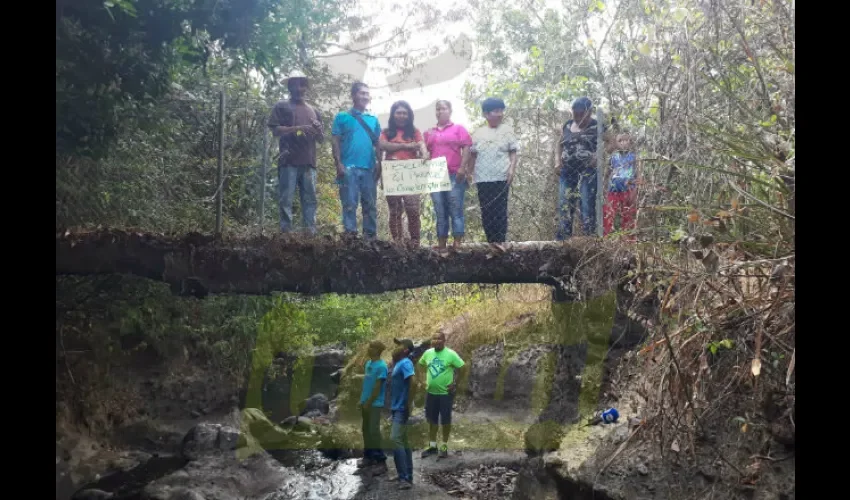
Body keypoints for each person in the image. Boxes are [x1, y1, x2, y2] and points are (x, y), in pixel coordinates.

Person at [267, 70, 324, 234]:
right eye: (295, 84)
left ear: (306, 87)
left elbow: (321, 139)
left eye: (302, 84)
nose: (299, 88)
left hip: (309, 162)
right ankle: (286, 234)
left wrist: (318, 130)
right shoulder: (281, 106)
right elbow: (275, 130)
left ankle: (309, 234)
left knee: (310, 200)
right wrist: (298, 128)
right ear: (289, 87)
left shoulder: (314, 111)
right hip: (288, 161)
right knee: (286, 199)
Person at [332, 82, 382, 239]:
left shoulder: (373, 119)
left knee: (370, 205)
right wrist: (338, 163)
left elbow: (378, 144)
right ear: (353, 96)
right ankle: (350, 237)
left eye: (367, 94)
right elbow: (335, 141)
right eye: (361, 93)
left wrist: (379, 163)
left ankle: (370, 238)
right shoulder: (342, 117)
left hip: (369, 168)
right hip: (348, 167)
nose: (365, 96)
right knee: (349, 204)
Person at [467, 98, 519, 244]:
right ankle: (491, 243)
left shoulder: (507, 130)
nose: (500, 114)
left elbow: (513, 151)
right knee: (486, 211)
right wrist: (469, 173)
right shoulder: (478, 133)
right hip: (482, 177)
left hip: (501, 176)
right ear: (486, 114)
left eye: (501, 110)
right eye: (496, 111)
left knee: (500, 210)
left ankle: (501, 243)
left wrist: (512, 170)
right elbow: (473, 155)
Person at [424, 100, 473, 250]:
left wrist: (462, 168)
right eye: (438, 109)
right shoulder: (429, 132)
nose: (440, 111)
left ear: (450, 111)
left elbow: (466, 148)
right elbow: (424, 152)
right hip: (435, 175)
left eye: (443, 108)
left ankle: (457, 242)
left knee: (455, 208)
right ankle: (441, 243)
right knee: (440, 210)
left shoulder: (458, 129)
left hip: (454, 174)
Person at [380, 101, 428, 247]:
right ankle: (398, 242)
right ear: (393, 114)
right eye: (398, 112)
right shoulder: (387, 132)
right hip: (392, 172)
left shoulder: (414, 131)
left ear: (409, 115)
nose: (402, 116)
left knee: (413, 208)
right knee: (394, 210)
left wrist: (424, 152)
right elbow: (383, 145)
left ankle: (415, 242)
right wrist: (406, 145)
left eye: (404, 113)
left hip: (410, 173)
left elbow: (421, 144)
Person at [555, 97, 602, 239]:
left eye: (581, 114)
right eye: (575, 114)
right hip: (567, 171)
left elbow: (611, 143)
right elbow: (559, 143)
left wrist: (598, 156)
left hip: (588, 172)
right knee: (565, 205)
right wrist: (557, 161)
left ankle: (588, 240)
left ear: (589, 112)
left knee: (587, 204)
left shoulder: (597, 126)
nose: (577, 117)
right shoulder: (567, 125)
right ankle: (563, 241)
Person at [418, 332, 466, 459]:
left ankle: (444, 446)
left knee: (445, 420)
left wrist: (455, 383)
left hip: (445, 394)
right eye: (434, 338)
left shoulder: (451, 354)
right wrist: (422, 381)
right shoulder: (428, 353)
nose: (436, 340)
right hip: (431, 394)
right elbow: (420, 365)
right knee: (432, 420)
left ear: (444, 340)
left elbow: (463, 367)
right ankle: (432, 446)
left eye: (439, 338)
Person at [357, 340, 388, 474]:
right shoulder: (369, 364)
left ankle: (381, 461)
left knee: (374, 431)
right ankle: (368, 456)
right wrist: (362, 400)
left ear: (377, 350)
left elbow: (377, 387)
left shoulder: (382, 366)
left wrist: (369, 402)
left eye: (371, 347)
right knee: (365, 430)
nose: (368, 349)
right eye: (369, 346)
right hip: (366, 402)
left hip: (375, 404)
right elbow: (367, 384)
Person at [387, 342, 415, 490]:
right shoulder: (399, 363)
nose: (395, 347)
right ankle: (406, 475)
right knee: (403, 440)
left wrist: (408, 403)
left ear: (405, 350)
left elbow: (414, 382)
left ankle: (405, 478)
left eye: (399, 345)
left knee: (395, 438)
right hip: (396, 407)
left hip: (401, 408)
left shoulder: (406, 363)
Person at [603, 131, 639, 240]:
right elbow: (606, 174)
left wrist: (635, 191)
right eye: (620, 141)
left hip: (628, 190)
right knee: (608, 214)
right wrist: (605, 188)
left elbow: (638, 175)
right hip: (613, 190)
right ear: (616, 144)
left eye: (626, 140)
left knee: (629, 215)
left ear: (630, 143)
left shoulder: (634, 158)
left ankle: (629, 240)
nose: (623, 143)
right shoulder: (613, 158)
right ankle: (606, 238)